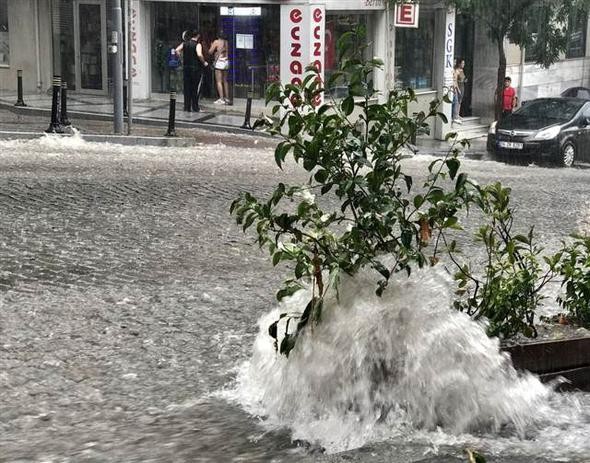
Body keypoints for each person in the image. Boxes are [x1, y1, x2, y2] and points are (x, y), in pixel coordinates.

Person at [176, 30, 208, 112]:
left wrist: (182, 59)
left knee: (187, 88)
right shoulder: (198, 45)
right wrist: (204, 62)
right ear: (198, 36)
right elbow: (199, 54)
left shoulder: (184, 43)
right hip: (195, 69)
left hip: (186, 68)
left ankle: (186, 107)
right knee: (195, 88)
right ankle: (195, 107)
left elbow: (177, 50)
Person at [209, 31, 230, 105]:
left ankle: (221, 99)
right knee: (225, 81)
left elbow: (210, 52)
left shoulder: (216, 42)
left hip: (219, 62)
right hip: (226, 62)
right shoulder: (226, 42)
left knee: (218, 81)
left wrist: (212, 45)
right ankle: (227, 98)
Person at [452, 58, 466, 124]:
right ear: (459, 63)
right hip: (457, 87)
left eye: (464, 63)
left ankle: (457, 114)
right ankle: (455, 116)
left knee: (459, 101)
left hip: (462, 85)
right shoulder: (456, 71)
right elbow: (455, 80)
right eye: (462, 63)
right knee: (456, 101)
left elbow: (462, 78)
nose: (463, 64)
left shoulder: (461, 70)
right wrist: (457, 89)